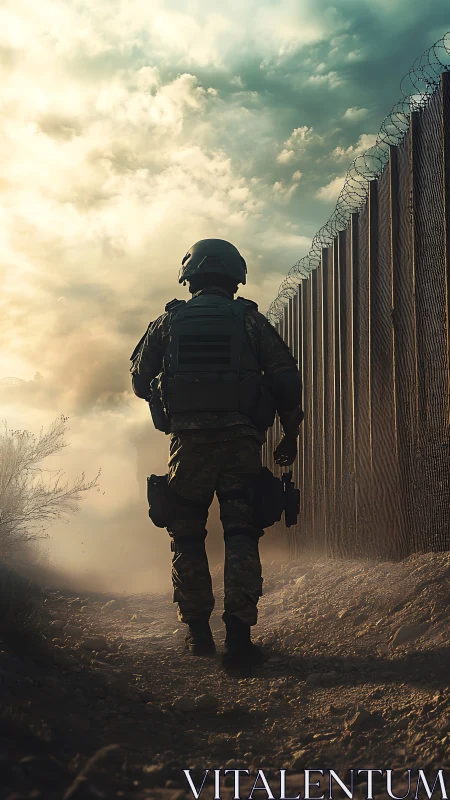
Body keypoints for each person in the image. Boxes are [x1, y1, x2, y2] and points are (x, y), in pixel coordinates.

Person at [130, 239, 303, 670]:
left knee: (187, 532)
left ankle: (198, 634)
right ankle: (240, 639)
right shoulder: (249, 321)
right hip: (240, 441)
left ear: (189, 278)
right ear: (234, 276)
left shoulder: (167, 322)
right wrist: (290, 434)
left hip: (187, 444)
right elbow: (285, 378)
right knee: (241, 532)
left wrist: (165, 393)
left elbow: (138, 377)